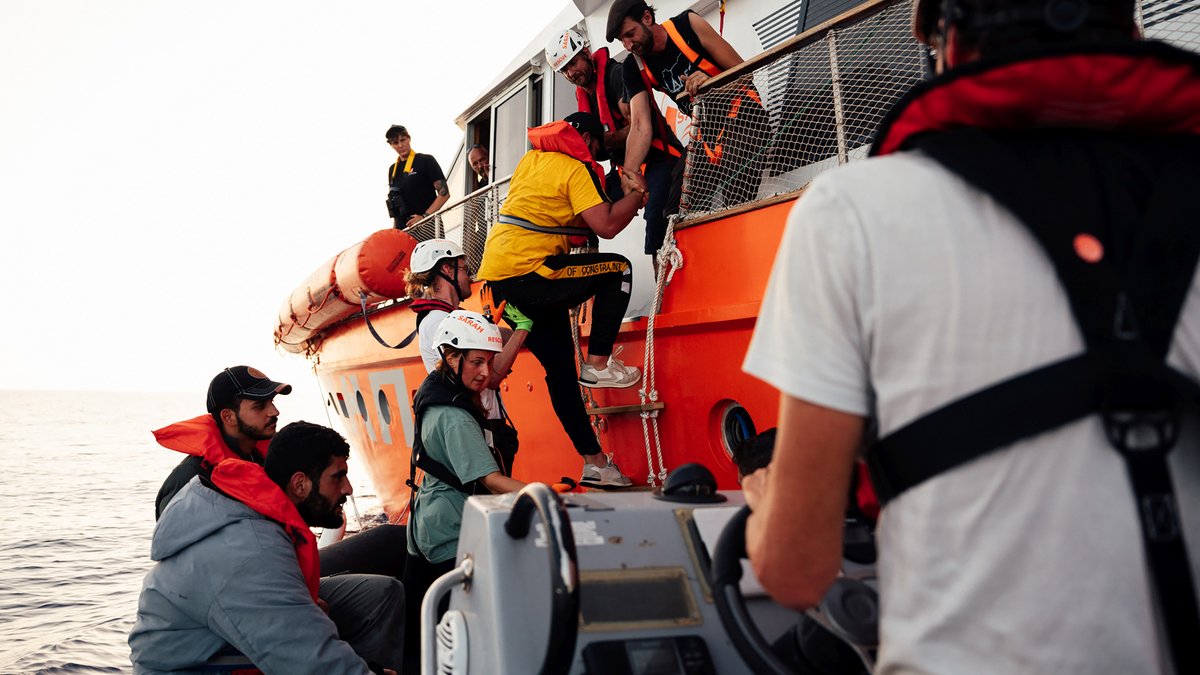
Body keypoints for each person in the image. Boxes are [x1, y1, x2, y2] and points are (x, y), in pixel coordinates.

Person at [742, 1, 1200, 672]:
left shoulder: (847, 213)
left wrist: (764, 507)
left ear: (948, 46)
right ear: (1132, 35)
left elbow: (795, 573)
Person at [152, 367, 408, 659]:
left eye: (273, 402)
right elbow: (202, 577)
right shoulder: (192, 483)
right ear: (228, 417)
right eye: (260, 406)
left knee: (389, 561)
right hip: (233, 603)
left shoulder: (264, 459)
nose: (274, 411)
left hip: (283, 572)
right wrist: (301, 603)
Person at [476, 111, 648, 489]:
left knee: (560, 373)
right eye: (597, 146)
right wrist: (636, 194)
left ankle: (596, 463)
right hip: (529, 272)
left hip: (500, 281)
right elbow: (605, 226)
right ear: (584, 139)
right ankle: (599, 364)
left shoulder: (531, 160)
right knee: (618, 270)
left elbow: (561, 217)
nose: (597, 155)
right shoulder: (575, 169)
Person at [401, 310, 527, 673]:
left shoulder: (439, 391)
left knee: (421, 633)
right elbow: (489, 480)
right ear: (451, 357)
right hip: (450, 533)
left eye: (488, 362)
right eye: (476, 362)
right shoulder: (454, 416)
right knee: (457, 633)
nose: (486, 373)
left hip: (428, 523)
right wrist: (545, 496)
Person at [607, 0, 767, 223]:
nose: (628, 45)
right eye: (622, 40)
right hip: (705, 133)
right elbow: (640, 125)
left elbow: (745, 72)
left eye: (630, 34)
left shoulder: (687, 25)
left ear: (646, 18)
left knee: (736, 195)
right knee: (673, 211)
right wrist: (630, 173)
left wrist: (711, 81)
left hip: (744, 115)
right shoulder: (633, 66)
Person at [404, 238, 529, 473]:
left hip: (484, 425)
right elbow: (489, 379)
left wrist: (491, 324)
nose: (469, 277)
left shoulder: (451, 317)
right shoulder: (439, 320)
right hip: (480, 428)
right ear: (446, 269)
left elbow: (504, 338)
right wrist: (524, 327)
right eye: (464, 269)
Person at [546, 28, 632, 202]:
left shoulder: (616, 75)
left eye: (573, 63)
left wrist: (605, 139)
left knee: (655, 224)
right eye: (564, 70)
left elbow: (641, 126)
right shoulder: (582, 95)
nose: (570, 73)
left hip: (655, 159)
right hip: (621, 168)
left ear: (586, 53)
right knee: (587, 210)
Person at [386, 125, 449, 228]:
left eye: (403, 140)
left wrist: (424, 217)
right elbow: (395, 204)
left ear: (409, 138)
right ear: (391, 145)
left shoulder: (426, 160)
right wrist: (394, 231)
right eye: (396, 143)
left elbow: (444, 194)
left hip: (428, 228)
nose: (401, 145)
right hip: (404, 233)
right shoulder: (392, 170)